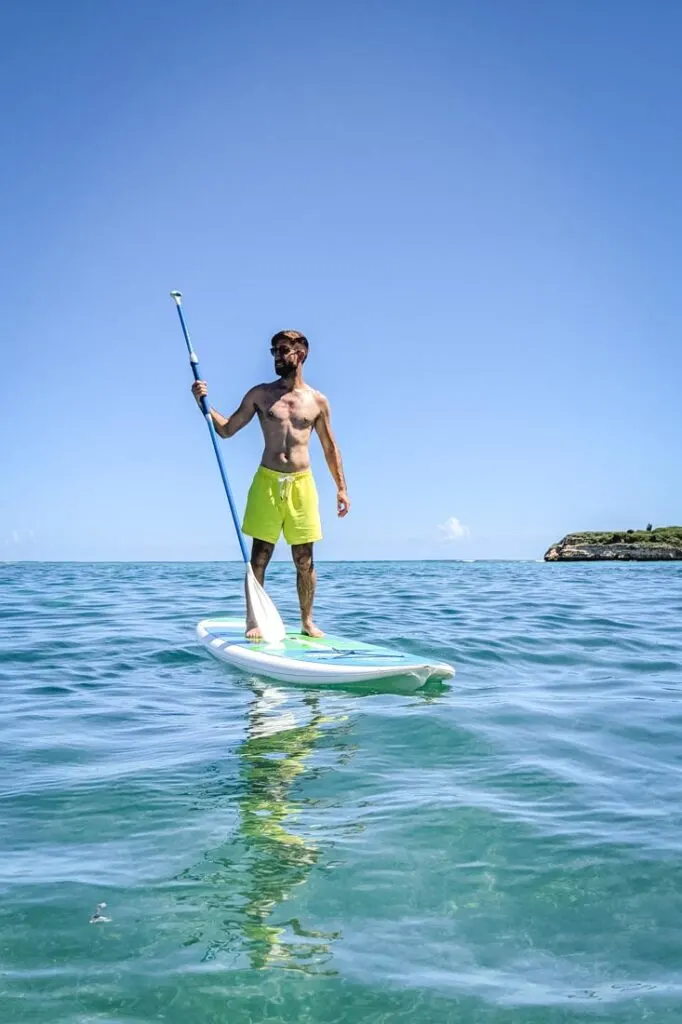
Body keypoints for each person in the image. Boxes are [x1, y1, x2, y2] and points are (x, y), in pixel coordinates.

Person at [192, 330, 350, 640]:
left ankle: (306, 621)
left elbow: (330, 447)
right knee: (259, 557)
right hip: (267, 481)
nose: (277, 356)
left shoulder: (317, 401)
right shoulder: (260, 395)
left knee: (304, 559)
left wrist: (341, 488)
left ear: (300, 354)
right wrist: (203, 404)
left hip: (302, 485)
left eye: (283, 350)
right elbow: (226, 430)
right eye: (274, 351)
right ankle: (253, 620)